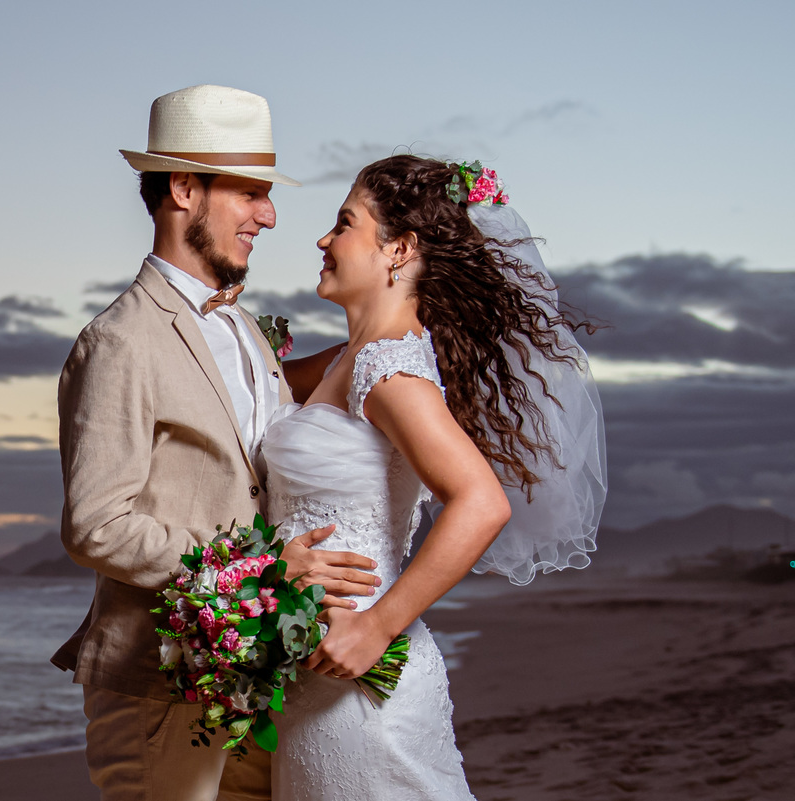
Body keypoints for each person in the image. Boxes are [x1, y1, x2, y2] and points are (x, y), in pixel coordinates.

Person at [52, 85, 380, 801]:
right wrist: (265, 569)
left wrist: (383, 338)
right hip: (156, 689)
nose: (268, 215)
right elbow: (96, 525)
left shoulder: (240, 328)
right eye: (250, 194)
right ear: (183, 188)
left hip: (250, 681)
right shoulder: (120, 341)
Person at [259, 154, 606, 800]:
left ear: (399, 248)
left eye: (344, 224)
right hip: (314, 677)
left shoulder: (388, 371)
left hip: (359, 679)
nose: (323, 240)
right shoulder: (349, 357)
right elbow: (256, 380)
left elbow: (481, 502)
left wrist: (375, 626)